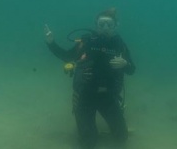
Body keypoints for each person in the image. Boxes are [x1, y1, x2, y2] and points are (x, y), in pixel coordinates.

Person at [45, 8, 135, 149]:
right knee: (89, 143)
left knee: (121, 138)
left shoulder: (119, 45)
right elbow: (67, 56)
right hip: (85, 96)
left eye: (109, 25)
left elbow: (132, 70)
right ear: (96, 25)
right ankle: (87, 129)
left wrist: (125, 64)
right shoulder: (86, 42)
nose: (105, 28)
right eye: (101, 25)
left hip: (109, 96)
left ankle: (112, 123)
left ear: (115, 26)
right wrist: (51, 43)